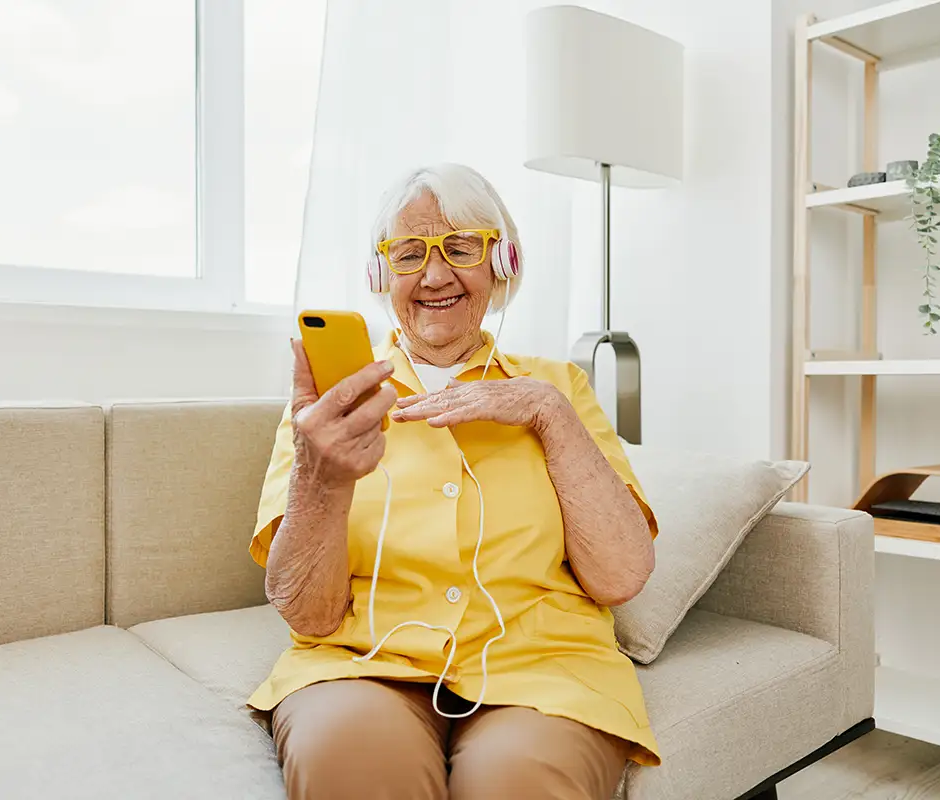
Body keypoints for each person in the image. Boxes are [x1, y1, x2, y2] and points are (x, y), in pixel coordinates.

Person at [247, 163, 660, 800]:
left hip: (543, 665)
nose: (435, 276)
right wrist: (320, 477)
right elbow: (310, 613)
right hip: (363, 664)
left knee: (518, 783)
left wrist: (547, 413)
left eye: (461, 247)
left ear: (503, 261)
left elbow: (621, 576)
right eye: (409, 253)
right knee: (351, 763)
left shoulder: (558, 387)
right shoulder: (332, 403)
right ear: (381, 274)